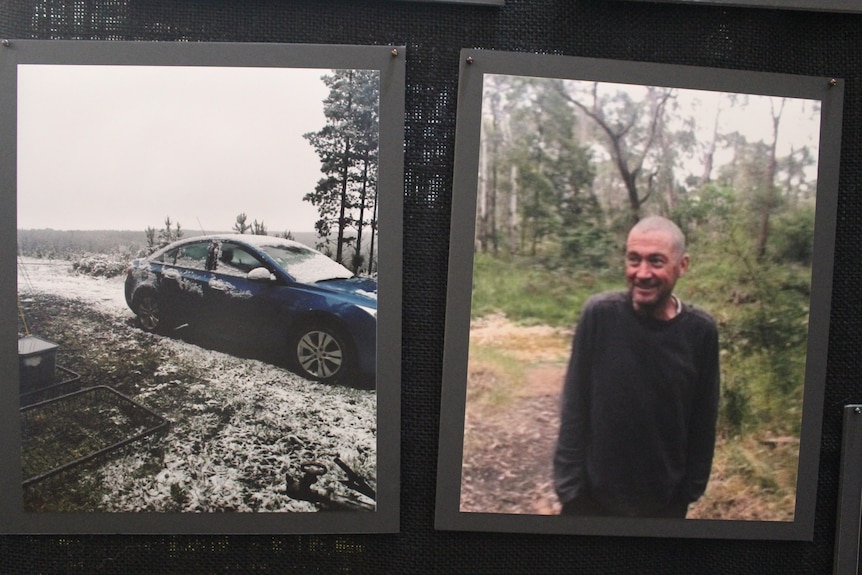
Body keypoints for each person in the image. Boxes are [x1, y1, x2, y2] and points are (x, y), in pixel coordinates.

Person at [553, 215, 720, 518]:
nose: (642, 273)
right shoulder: (599, 316)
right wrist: (571, 492)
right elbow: (574, 405)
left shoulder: (700, 332)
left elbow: (703, 420)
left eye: (656, 261)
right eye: (634, 259)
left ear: (682, 265)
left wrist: (688, 492)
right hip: (591, 500)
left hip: (664, 505)